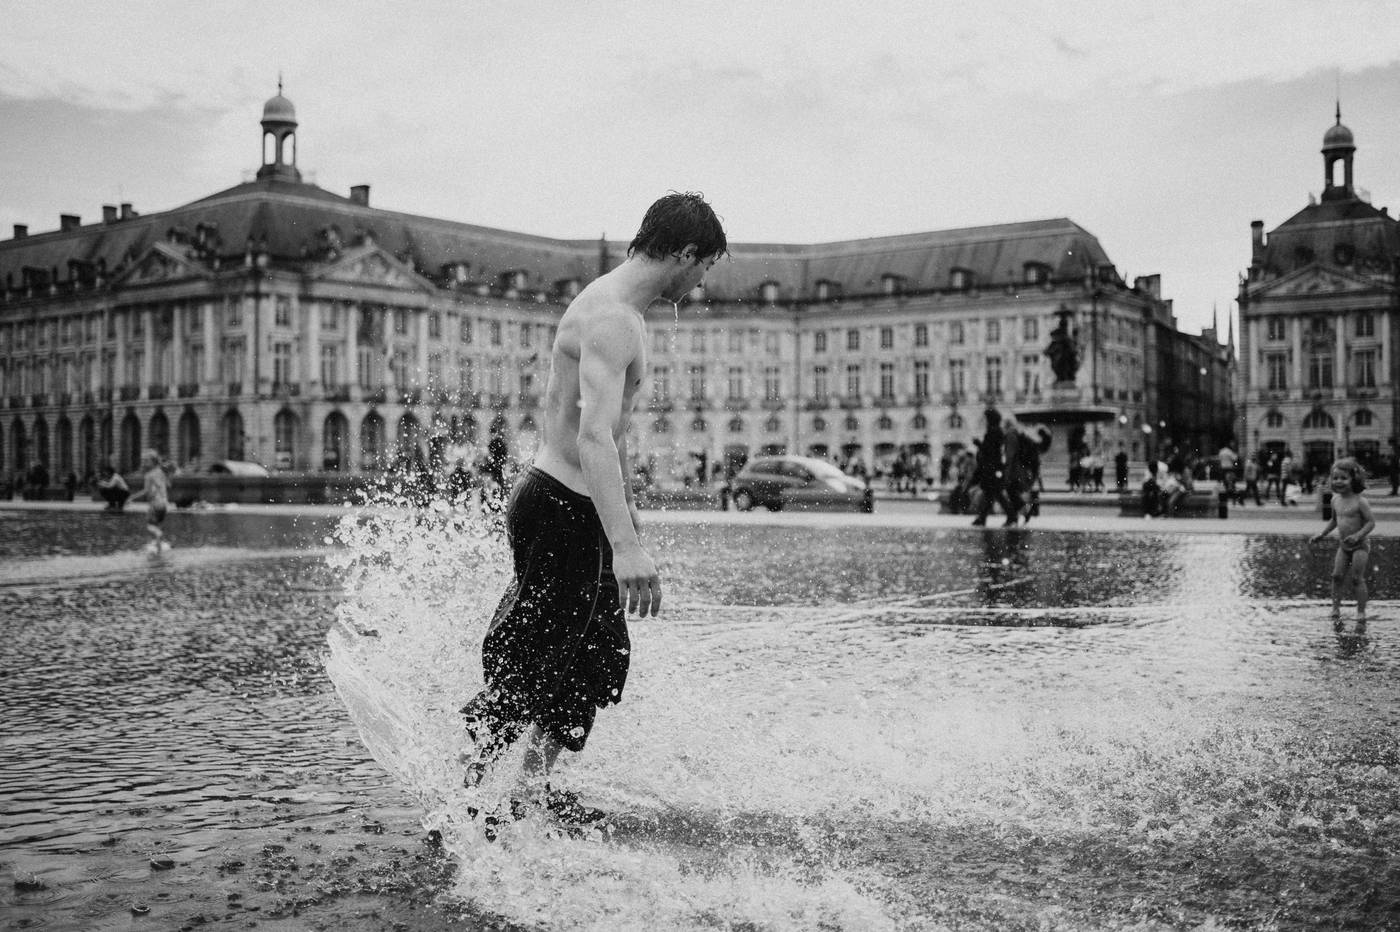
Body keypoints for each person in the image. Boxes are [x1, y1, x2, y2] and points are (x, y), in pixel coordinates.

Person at [458, 192, 726, 831]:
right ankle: (466, 799)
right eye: (704, 268)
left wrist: (625, 524)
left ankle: (527, 795)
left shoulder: (620, 310)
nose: (700, 284)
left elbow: (613, 436)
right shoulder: (612, 316)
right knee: (532, 663)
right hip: (558, 506)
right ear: (685, 253)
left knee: (594, 658)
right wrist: (627, 546)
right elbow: (594, 436)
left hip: (572, 507)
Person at [1310, 458, 1376, 622]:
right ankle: (1335, 609)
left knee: (1356, 578)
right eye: (1335, 478)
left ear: (1354, 479)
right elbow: (1334, 520)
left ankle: (1361, 612)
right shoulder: (1335, 500)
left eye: (1343, 478)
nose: (1338, 481)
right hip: (1343, 546)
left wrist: (1357, 535)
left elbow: (1371, 523)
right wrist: (1322, 534)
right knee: (1336, 576)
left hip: (1360, 546)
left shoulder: (1360, 501)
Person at [127, 449, 170, 549]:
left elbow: (145, 491)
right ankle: (158, 545)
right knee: (158, 524)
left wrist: (131, 498)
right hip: (164, 504)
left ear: (153, 461)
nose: (144, 463)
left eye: (146, 460)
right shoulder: (161, 472)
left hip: (155, 504)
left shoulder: (149, 475)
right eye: (144, 460)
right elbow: (167, 485)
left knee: (150, 526)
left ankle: (158, 537)